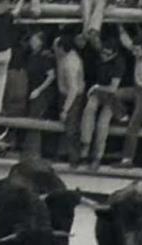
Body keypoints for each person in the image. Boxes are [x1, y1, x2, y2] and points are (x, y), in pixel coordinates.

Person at [112, 26, 142, 169]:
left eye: (137, 51)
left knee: (133, 127)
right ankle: (122, 116)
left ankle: (127, 160)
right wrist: (120, 27)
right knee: (113, 94)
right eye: (134, 50)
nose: (134, 53)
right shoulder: (137, 51)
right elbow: (126, 42)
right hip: (136, 88)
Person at [80, 38, 126, 170]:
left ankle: (97, 157)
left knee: (102, 123)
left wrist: (96, 87)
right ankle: (85, 147)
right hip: (99, 91)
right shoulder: (99, 58)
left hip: (112, 96)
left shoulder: (119, 63)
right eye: (102, 53)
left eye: (107, 54)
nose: (103, 56)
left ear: (114, 54)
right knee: (88, 110)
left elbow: (113, 88)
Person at [23, 29, 56, 158]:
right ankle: (30, 151)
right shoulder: (31, 55)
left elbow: (51, 76)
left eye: (35, 39)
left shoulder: (44, 57)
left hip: (41, 92)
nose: (32, 41)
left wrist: (39, 90)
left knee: (35, 120)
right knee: (31, 118)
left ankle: (33, 153)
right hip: (32, 90)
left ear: (41, 42)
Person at [54, 33, 86, 167]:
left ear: (62, 48)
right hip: (65, 93)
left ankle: (75, 158)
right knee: (66, 127)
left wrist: (65, 110)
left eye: (56, 47)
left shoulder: (71, 63)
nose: (54, 49)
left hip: (73, 97)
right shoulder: (65, 56)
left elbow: (73, 89)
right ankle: (63, 153)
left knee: (71, 127)